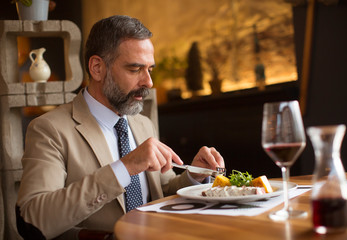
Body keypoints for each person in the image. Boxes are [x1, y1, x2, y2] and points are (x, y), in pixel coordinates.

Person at [16, 15, 225, 240]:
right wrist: (125, 167)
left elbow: (162, 191)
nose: (149, 82)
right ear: (97, 68)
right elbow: (34, 218)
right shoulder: (49, 129)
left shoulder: (142, 123)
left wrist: (194, 176)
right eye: (135, 69)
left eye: (150, 70)